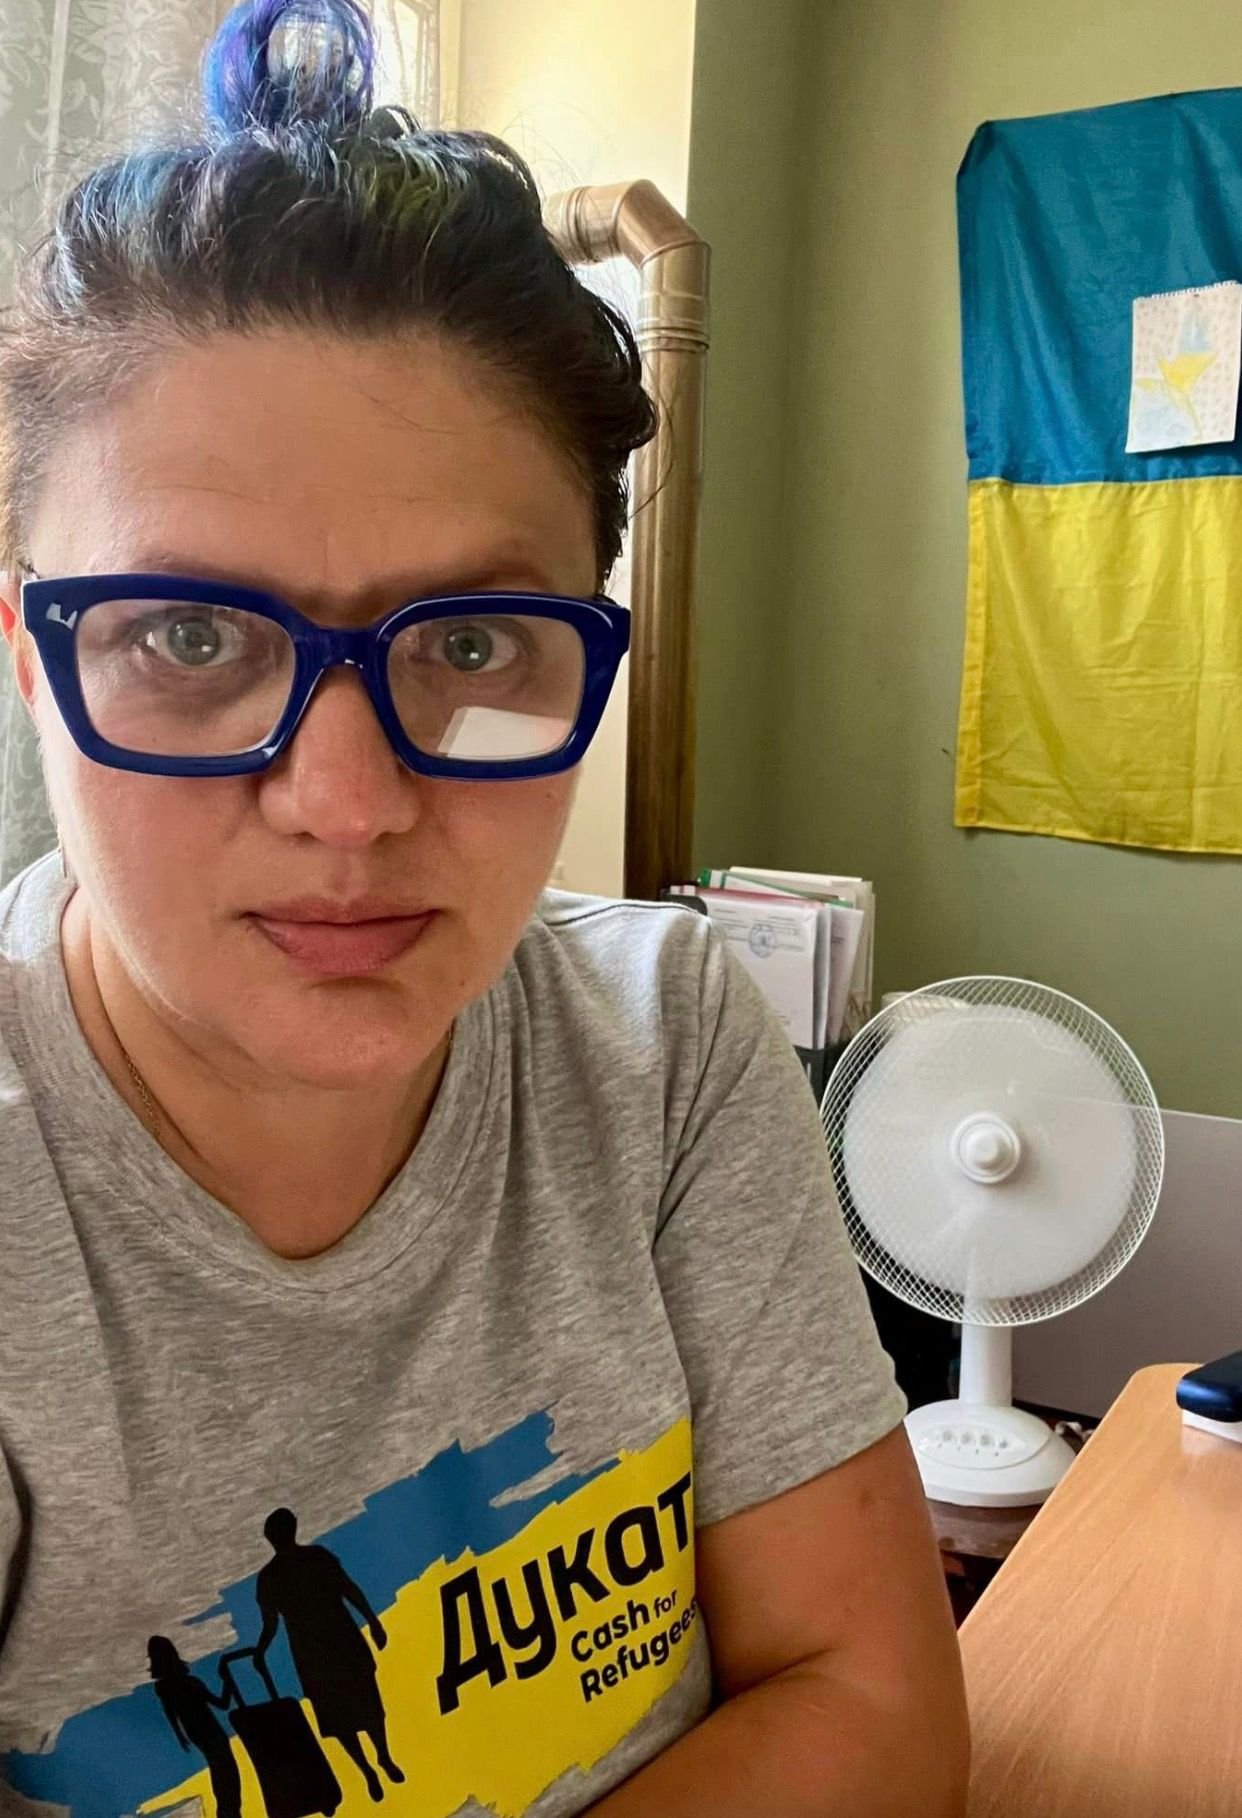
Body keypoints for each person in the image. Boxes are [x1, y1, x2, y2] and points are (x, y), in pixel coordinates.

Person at [0, 2, 969, 1814]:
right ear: (35, 661)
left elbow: (873, 1701)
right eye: (190, 635)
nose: (350, 804)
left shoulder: (663, 1039)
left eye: (468, 645)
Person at [254, 1508, 403, 1801]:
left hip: (339, 1645)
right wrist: (260, 1651)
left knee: (367, 1706)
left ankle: (382, 1757)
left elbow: (348, 1589)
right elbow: (270, 1623)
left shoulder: (312, 1559)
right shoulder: (274, 1575)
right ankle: (367, 1771)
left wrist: (373, 1621)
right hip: (316, 1654)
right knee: (340, 1717)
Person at [147, 1637, 244, 1818]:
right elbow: (222, 1703)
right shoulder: (190, 1682)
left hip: (198, 1735)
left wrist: (180, 1735)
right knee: (227, 1775)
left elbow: (170, 1713)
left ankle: (228, 1813)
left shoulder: (164, 1687)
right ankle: (230, 1813)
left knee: (220, 1773)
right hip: (212, 1733)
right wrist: (228, 1681)